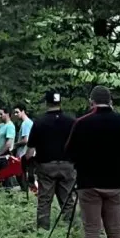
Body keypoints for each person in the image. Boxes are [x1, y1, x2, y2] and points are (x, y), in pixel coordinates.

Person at [65, 85, 120, 238]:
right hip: (115, 183)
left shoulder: (82, 123)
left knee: (92, 229)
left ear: (91, 102)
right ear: (110, 101)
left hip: (89, 183)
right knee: (116, 229)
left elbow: (69, 152)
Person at [25, 91, 76, 230]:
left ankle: (43, 232)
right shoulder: (71, 121)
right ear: (60, 102)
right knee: (68, 201)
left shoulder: (39, 122)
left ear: (46, 103)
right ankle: (70, 231)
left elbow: (30, 151)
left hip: (46, 166)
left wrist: (27, 163)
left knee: (44, 201)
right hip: (67, 165)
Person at [13, 105, 35, 192]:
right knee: (29, 175)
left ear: (23, 111)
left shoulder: (25, 123)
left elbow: (26, 140)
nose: (15, 114)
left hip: (24, 153)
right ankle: (30, 193)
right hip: (30, 153)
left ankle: (25, 192)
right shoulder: (30, 122)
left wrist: (15, 145)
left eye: (17, 112)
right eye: (15, 112)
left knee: (21, 175)